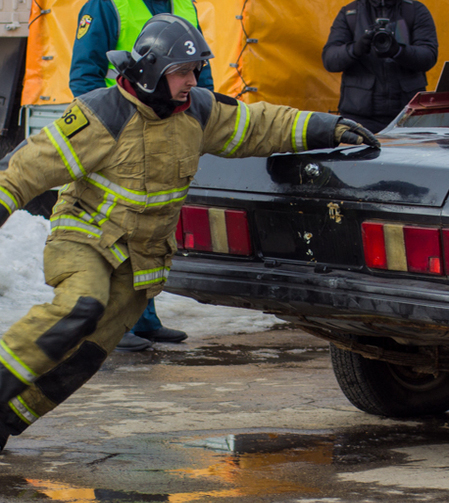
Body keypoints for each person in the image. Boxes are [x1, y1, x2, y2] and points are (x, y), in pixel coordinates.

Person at [0, 14, 379, 452]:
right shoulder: (102, 115)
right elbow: (23, 172)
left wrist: (324, 127)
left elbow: (257, 126)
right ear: (149, 71)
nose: (191, 79)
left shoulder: (196, 111)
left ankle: (7, 421)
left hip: (136, 258)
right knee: (81, 306)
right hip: (86, 238)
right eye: (181, 71)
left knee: (86, 355)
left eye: (194, 70)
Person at [70, 0, 215, 352]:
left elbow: (201, 75)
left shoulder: (185, 5)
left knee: (149, 227)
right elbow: (85, 75)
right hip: (123, 137)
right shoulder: (106, 6)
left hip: (165, 132)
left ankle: (142, 319)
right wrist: (112, 126)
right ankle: (111, 325)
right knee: (115, 230)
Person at [322, 0, 438, 134]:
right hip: (360, 119)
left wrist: (398, 51)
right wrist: (355, 49)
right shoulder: (350, 13)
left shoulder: (414, 11)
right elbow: (330, 60)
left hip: (408, 117)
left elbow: (428, 56)